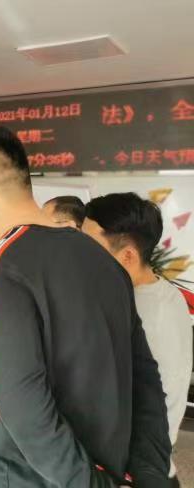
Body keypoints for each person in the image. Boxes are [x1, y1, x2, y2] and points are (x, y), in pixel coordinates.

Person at [0, 124, 170, 488]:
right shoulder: (104, 262)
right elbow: (144, 378)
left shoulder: (1, 264)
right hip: (102, 468)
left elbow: (21, 403)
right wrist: (150, 475)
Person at [84, 192, 192, 487]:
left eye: (88, 247)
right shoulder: (164, 294)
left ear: (128, 256)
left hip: (135, 474)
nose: (79, 256)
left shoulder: (142, 316)